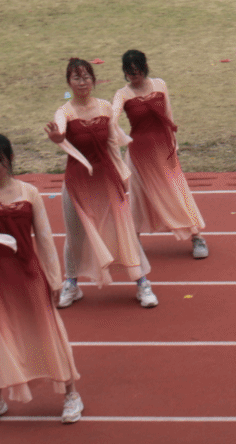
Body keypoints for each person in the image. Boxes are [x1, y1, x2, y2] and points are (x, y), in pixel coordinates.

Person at [0, 133, 83, 424]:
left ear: (10, 160)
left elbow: (45, 240)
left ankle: (71, 394)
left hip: (28, 274)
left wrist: (55, 280)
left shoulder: (29, 193)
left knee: (46, 332)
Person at [47, 57, 155, 309]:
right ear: (69, 82)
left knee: (124, 230)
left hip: (107, 180)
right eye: (76, 77)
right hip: (77, 183)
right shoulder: (64, 112)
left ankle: (142, 283)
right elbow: (60, 132)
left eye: (86, 77)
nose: (82, 82)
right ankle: (71, 284)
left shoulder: (106, 108)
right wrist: (57, 137)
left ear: (93, 81)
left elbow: (112, 144)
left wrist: (122, 176)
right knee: (75, 236)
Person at [114, 49, 209, 258]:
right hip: (139, 153)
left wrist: (174, 143)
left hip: (163, 149)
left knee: (177, 191)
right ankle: (134, 241)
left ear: (144, 67)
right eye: (129, 72)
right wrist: (124, 141)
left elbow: (168, 115)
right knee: (139, 196)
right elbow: (111, 123)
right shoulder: (123, 94)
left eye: (137, 70)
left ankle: (196, 236)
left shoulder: (160, 85)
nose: (134, 75)